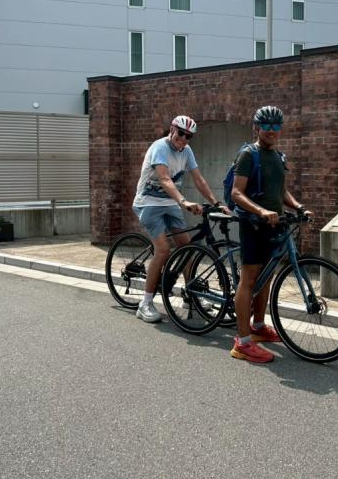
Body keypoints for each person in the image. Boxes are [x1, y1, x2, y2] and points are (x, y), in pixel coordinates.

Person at [229, 106, 312, 363]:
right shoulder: (247, 155)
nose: (272, 131)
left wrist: (298, 206)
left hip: (275, 225)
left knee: (266, 278)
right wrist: (261, 211)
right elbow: (236, 193)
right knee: (250, 279)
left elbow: (281, 192)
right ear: (256, 128)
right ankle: (242, 344)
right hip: (254, 224)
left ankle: (258, 327)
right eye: (267, 126)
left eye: (277, 127)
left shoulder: (279, 157)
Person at [132, 115, 228, 323]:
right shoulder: (160, 147)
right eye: (181, 133)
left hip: (169, 204)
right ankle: (145, 303)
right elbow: (165, 178)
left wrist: (215, 202)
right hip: (148, 203)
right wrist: (184, 202)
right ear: (172, 129)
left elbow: (198, 178)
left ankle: (191, 296)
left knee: (187, 250)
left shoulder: (187, 151)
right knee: (164, 250)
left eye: (188, 137)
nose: (184, 139)